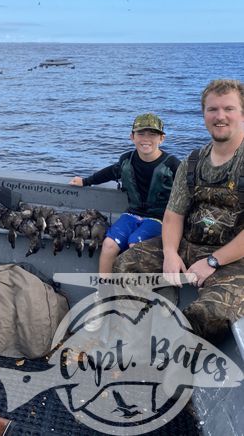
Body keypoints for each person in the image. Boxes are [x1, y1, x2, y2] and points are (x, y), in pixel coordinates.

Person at [113, 79, 244, 343]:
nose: (220, 116)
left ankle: (181, 364)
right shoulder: (193, 162)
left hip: (235, 260)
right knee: (126, 264)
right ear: (204, 114)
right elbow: (174, 215)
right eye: (212, 109)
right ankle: (133, 342)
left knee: (207, 314)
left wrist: (212, 262)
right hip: (189, 246)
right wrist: (171, 254)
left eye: (229, 109)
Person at [70, 113, 180, 277]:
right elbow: (109, 173)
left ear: (162, 138)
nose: (146, 139)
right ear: (132, 137)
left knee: (135, 243)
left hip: (160, 219)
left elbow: (188, 191)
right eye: (141, 134)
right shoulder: (126, 160)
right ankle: (104, 291)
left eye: (152, 134)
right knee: (108, 244)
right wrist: (86, 181)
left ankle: (135, 294)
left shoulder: (172, 165)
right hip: (132, 214)